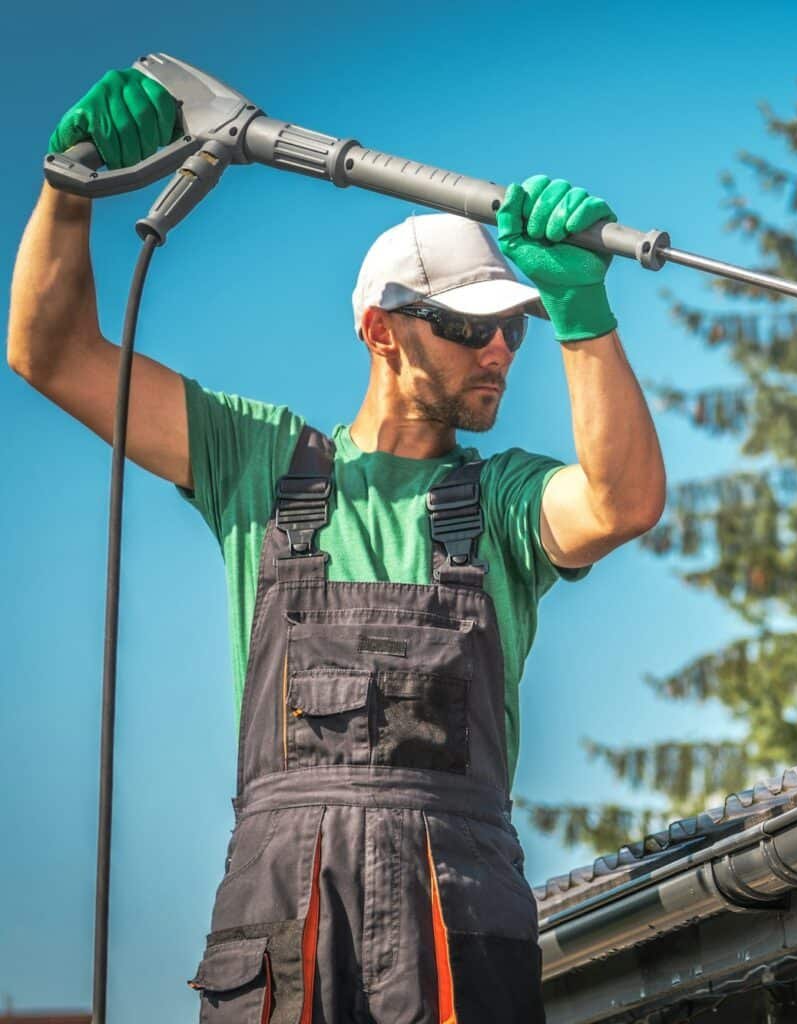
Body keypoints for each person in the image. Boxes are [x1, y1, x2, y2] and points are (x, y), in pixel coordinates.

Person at [9, 68, 666, 1022]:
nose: (498, 353)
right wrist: (68, 190)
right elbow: (53, 352)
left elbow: (621, 501)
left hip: (460, 906)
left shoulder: (505, 500)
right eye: (466, 326)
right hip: (288, 905)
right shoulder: (259, 462)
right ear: (380, 329)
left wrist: (581, 315)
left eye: (512, 331)